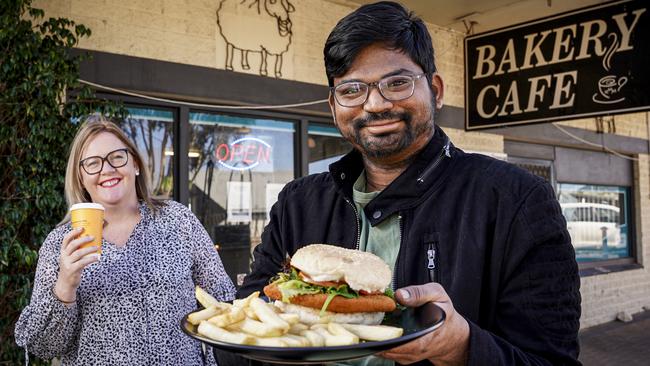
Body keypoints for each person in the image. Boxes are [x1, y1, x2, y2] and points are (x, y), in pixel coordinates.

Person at [237, 1, 581, 365]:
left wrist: (462, 347)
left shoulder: (516, 200)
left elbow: (551, 359)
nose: (375, 104)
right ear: (333, 106)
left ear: (436, 89)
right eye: (352, 90)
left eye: (397, 83)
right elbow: (244, 322)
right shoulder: (297, 203)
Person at [15, 115, 236, 365]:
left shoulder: (178, 220)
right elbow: (43, 347)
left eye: (117, 157)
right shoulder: (60, 245)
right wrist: (66, 285)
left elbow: (223, 300)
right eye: (93, 163)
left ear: (135, 164)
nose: (107, 169)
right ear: (81, 177)